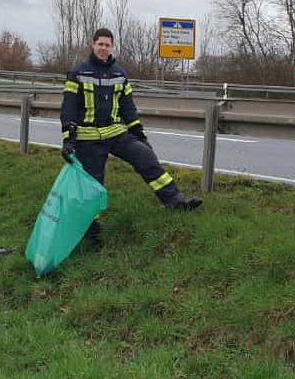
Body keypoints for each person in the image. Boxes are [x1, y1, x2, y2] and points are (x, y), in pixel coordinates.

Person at [61, 28, 202, 245]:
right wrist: (68, 139)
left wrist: (138, 133)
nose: (103, 48)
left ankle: (175, 201)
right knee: (93, 185)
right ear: (92, 45)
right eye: (100, 44)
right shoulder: (78, 73)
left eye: (107, 45)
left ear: (111, 47)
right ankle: (90, 229)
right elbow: (69, 107)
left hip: (117, 133)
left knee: (147, 159)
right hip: (88, 138)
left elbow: (128, 107)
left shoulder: (120, 74)